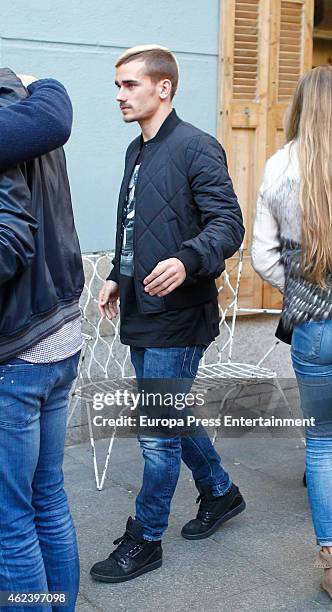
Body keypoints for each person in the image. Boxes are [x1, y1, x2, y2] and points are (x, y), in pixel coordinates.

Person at [91, 44, 245, 584]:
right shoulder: (137, 152)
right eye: (118, 85)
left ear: (164, 87)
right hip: (141, 306)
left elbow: (228, 225)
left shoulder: (198, 147)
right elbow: (135, 225)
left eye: (129, 84)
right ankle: (221, 493)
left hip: (179, 315)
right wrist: (116, 272)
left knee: (157, 431)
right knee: (173, 417)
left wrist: (187, 259)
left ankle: (146, 538)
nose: (119, 95)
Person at [0, 68, 84, 611]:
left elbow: (8, 244)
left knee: (11, 522)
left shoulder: (14, 123)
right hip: (58, 335)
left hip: (17, 353)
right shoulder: (29, 110)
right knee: (47, 498)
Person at [252, 65, 332, 600]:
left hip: (315, 328)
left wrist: (301, 289)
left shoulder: (281, 165)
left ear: (299, 108)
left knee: (323, 443)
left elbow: (261, 255)